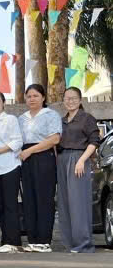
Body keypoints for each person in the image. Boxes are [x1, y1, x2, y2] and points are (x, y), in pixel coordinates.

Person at [18, 83, 62, 253]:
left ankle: (44, 241)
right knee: (29, 199)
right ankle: (33, 239)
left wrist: (29, 151)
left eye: (35, 95)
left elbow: (54, 140)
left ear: (43, 97)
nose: (32, 99)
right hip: (26, 160)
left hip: (44, 158)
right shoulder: (21, 118)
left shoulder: (51, 115)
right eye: (29, 96)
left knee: (44, 199)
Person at [57, 87, 100, 253]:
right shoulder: (61, 120)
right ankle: (71, 244)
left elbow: (94, 141)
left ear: (80, 100)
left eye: (74, 98)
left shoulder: (86, 118)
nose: (70, 101)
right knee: (65, 203)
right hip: (61, 159)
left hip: (79, 159)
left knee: (79, 203)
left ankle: (84, 244)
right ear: (63, 101)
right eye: (67, 98)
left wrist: (82, 160)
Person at [0, 91, 24, 254]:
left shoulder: (10, 120)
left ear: (3, 104)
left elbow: (17, 141)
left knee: (10, 205)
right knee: (1, 207)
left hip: (9, 167)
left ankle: (13, 242)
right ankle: (5, 240)